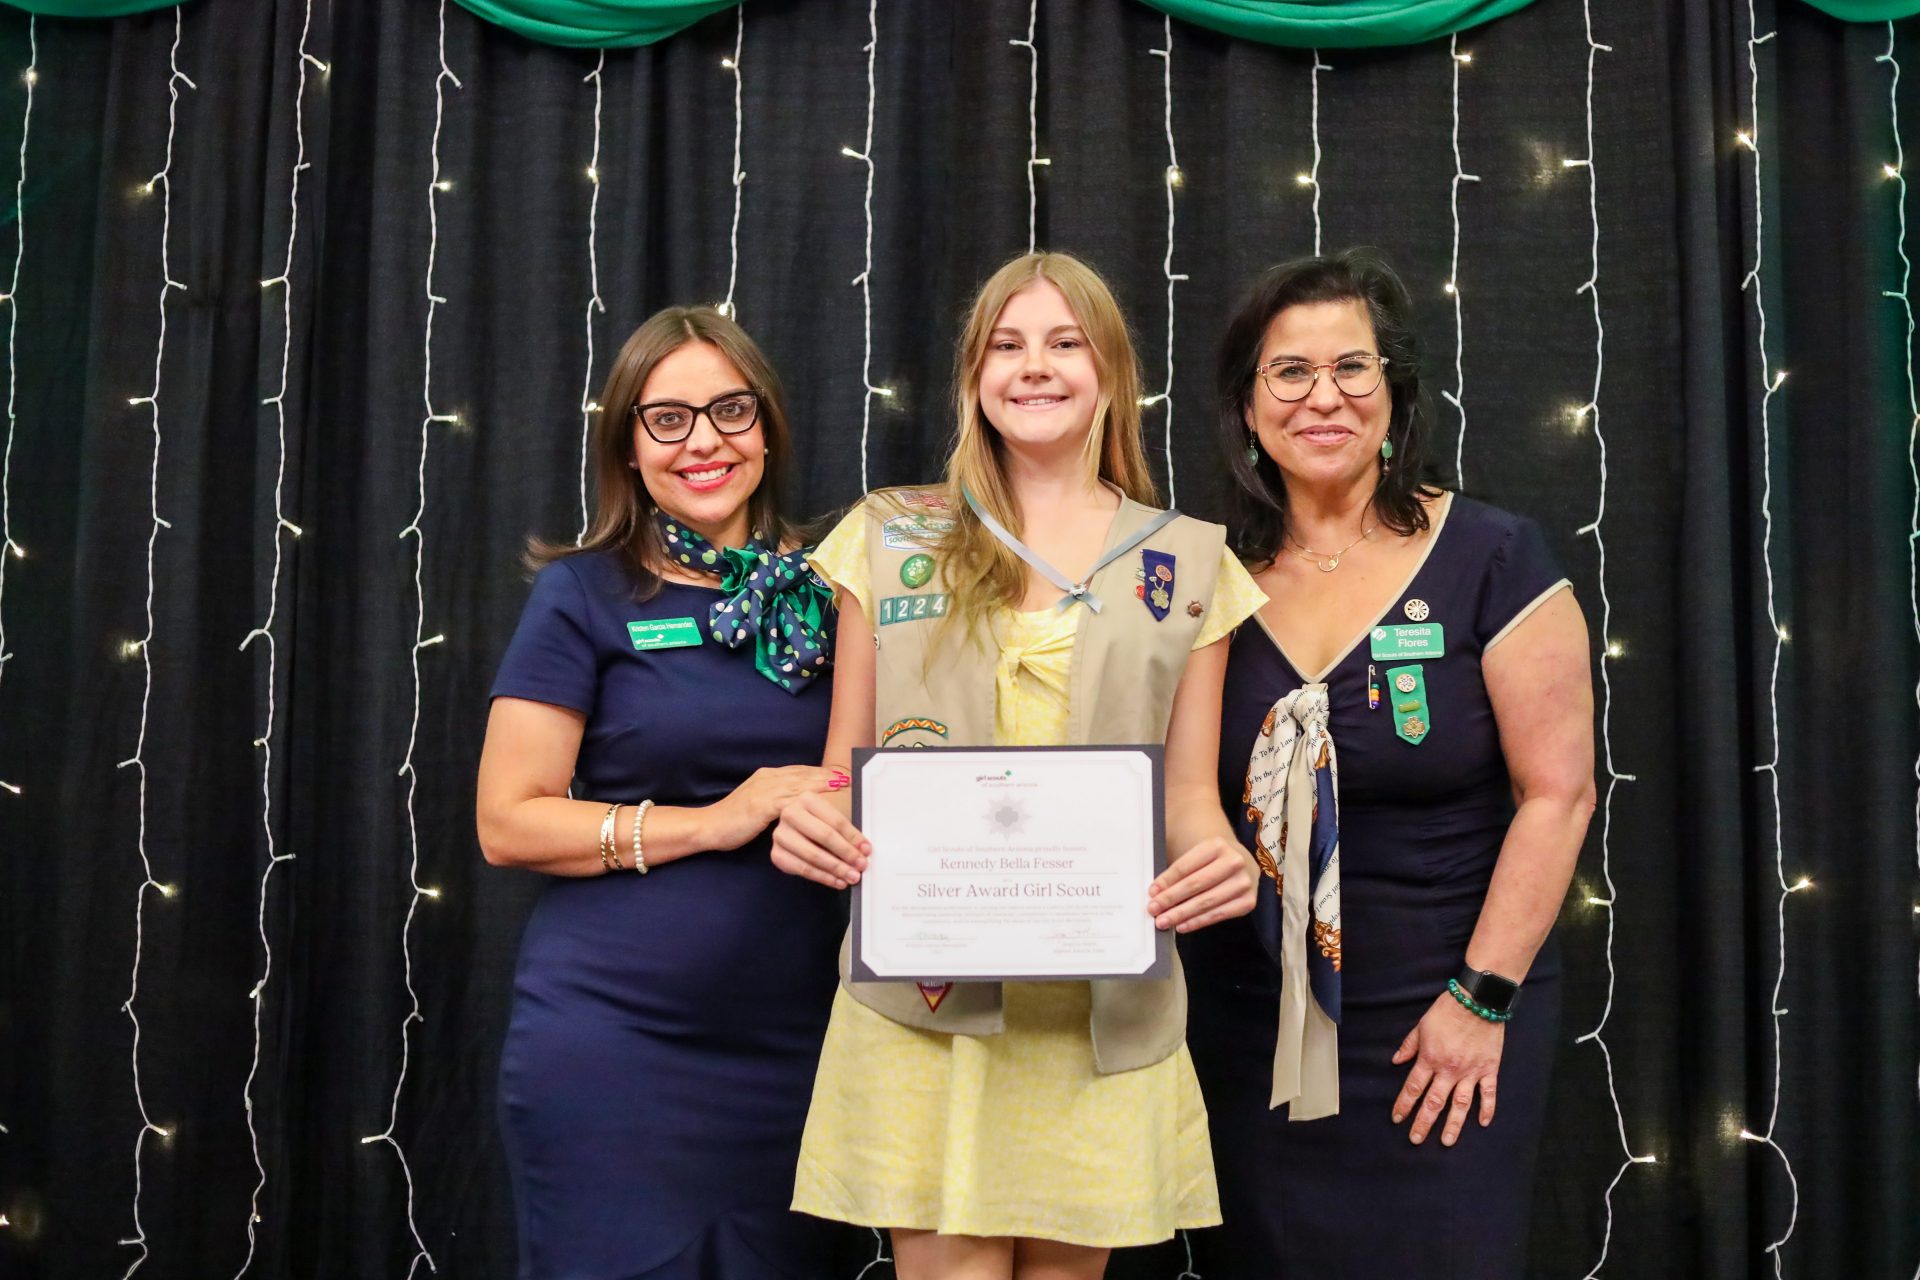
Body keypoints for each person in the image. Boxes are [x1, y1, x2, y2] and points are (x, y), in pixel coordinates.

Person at [769, 251, 1264, 1280]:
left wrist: (1220, 858)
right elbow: (840, 770)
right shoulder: (891, 535)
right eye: (1006, 344)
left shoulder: (1188, 560)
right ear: (973, 376)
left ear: (1112, 372)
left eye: (1064, 342)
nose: (1033, 366)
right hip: (931, 1000)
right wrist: (812, 818)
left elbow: (1190, 797)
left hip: (1095, 1015)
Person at [1179, 249, 1596, 1277]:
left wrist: (1479, 997)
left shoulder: (1496, 555)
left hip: (1443, 1017)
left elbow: (1560, 792)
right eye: (1290, 372)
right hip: (1256, 1033)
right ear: (1247, 401)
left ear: (1394, 394)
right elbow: (1185, 783)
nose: (1324, 396)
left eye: (1353, 368)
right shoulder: (1199, 572)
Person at [476, 306, 854, 1279]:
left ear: (767, 426)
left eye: (729, 409)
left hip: (800, 1053)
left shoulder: (844, 589)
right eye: (668, 418)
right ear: (629, 448)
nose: (705, 441)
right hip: (617, 1046)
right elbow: (507, 819)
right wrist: (718, 818)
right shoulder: (584, 594)